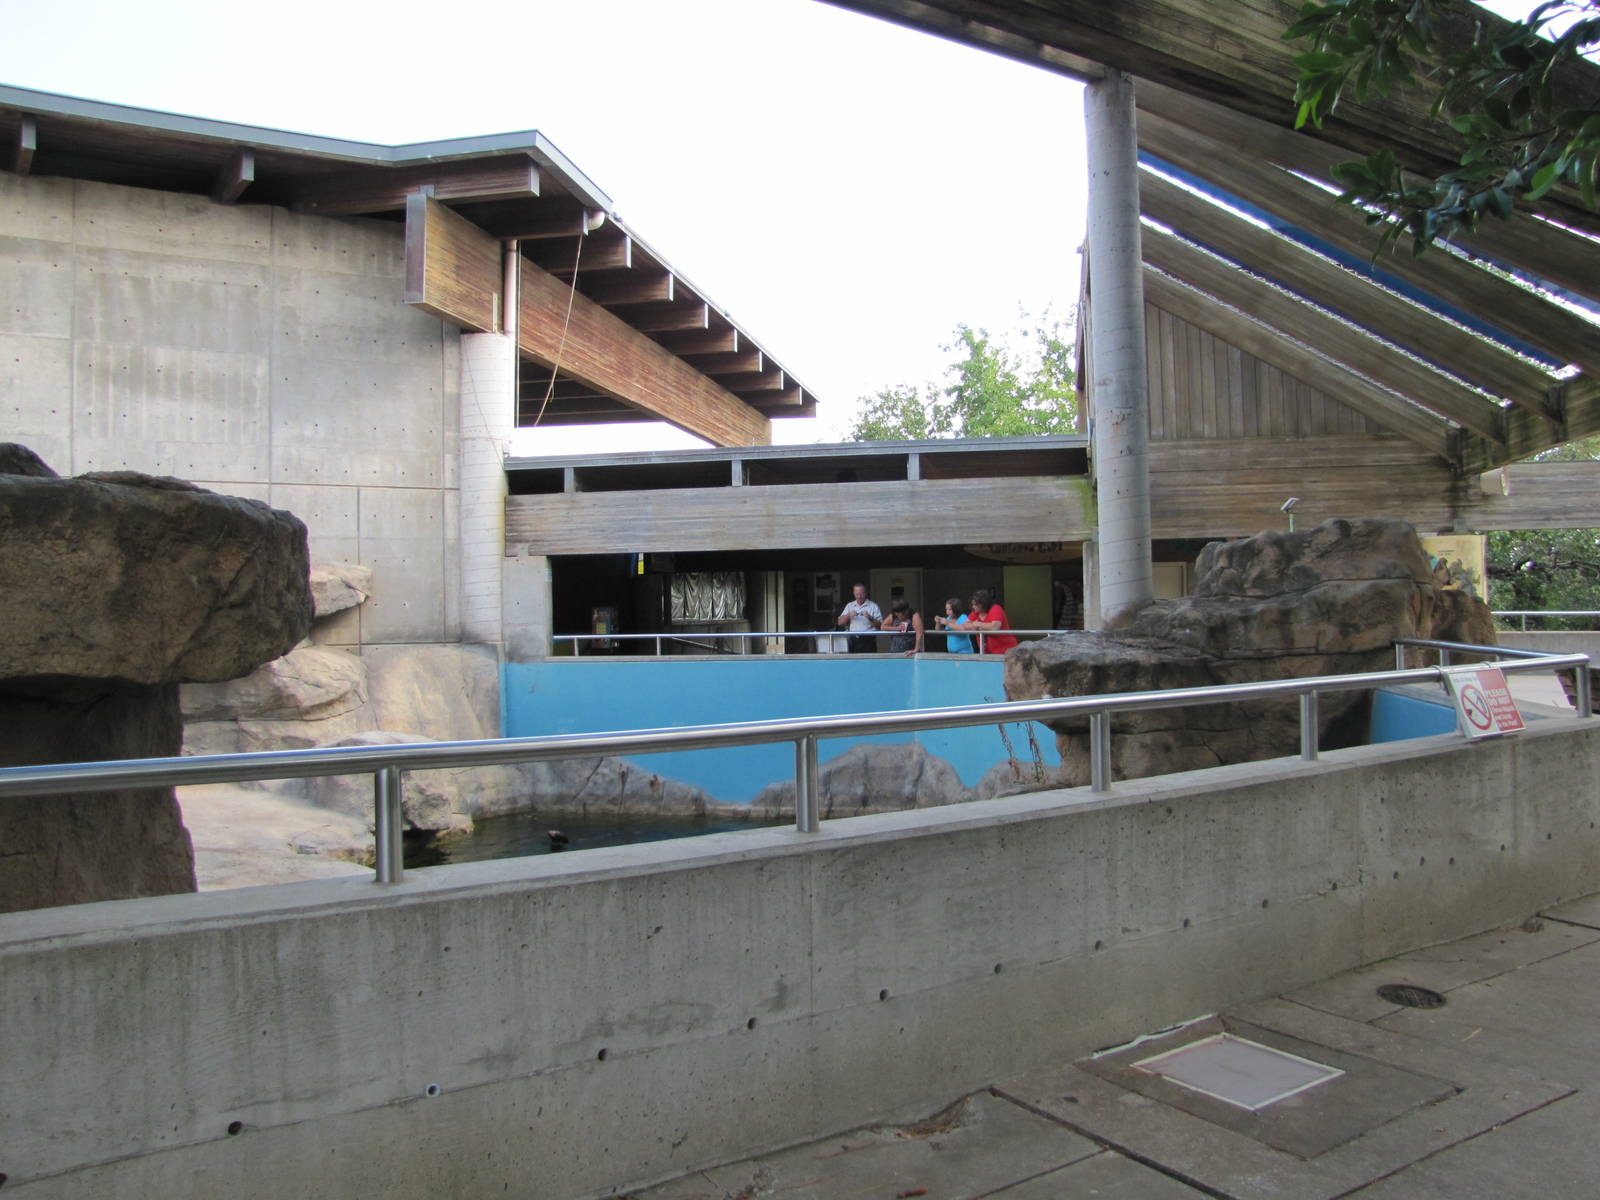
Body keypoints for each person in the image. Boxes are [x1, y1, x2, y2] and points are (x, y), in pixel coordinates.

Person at [968, 587, 1017, 654]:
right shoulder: (975, 613)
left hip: (1006, 651)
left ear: (983, 603)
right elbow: (965, 625)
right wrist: (975, 627)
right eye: (972, 604)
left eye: (975, 604)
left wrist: (978, 624)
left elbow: (995, 627)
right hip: (987, 652)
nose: (973, 607)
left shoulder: (995, 609)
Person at [836, 582, 882, 653]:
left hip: (868, 640)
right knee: (853, 662)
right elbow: (840, 622)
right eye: (857, 594)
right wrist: (848, 615)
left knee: (869, 662)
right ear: (854, 593)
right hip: (853, 639)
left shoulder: (873, 606)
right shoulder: (850, 605)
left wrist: (870, 617)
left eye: (861, 594)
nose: (859, 596)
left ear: (866, 593)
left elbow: (880, 626)